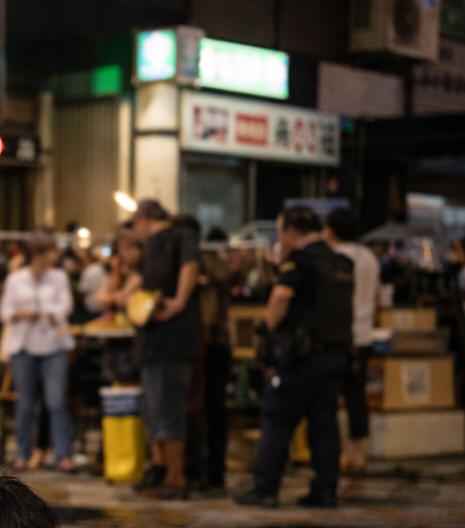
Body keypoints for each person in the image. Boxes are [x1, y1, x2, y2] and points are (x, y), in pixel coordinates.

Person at [237, 207, 353, 508]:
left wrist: (268, 331)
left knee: (277, 417)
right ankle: (325, 490)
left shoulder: (301, 262)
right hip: (336, 354)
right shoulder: (342, 262)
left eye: (280, 232)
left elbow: (280, 298)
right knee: (324, 424)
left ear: (291, 231)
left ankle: (265, 489)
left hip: (302, 357)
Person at [122, 202, 201, 500]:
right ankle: (162, 470)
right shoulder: (152, 247)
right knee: (155, 411)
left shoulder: (180, 236)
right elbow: (139, 285)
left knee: (168, 411)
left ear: (143, 219)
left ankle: (176, 476)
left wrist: (179, 302)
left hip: (172, 340)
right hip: (152, 342)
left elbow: (190, 267)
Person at [0, 233, 74, 471]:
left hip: (54, 345)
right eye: (50, 251)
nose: (54, 256)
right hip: (23, 346)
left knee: (56, 401)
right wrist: (22, 314)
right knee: (25, 403)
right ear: (39, 254)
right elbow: (4, 311)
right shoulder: (16, 279)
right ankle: (22, 454)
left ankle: (64, 455)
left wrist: (50, 312)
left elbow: (66, 305)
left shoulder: (59, 278)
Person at [325, 209, 379, 474]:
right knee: (357, 395)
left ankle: (334, 453)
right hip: (365, 334)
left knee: (330, 395)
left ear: (331, 230)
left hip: (341, 334)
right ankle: (357, 454)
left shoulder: (337, 257)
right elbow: (377, 296)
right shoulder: (369, 256)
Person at [195, 227, 233, 494]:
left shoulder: (203, 264)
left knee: (203, 410)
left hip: (205, 345)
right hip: (220, 344)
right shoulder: (226, 268)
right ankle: (215, 471)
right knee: (216, 410)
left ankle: (206, 471)